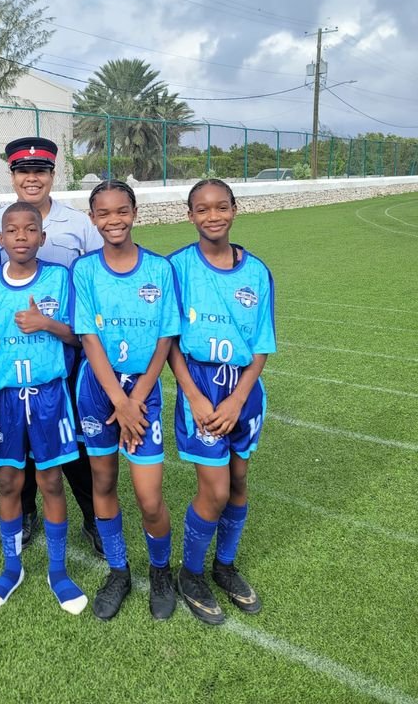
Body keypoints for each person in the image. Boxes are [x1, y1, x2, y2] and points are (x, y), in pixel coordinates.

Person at [0, 136, 103, 553]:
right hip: (16, 356)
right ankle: (26, 514)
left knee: (78, 442)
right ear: (12, 176)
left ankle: (92, 517)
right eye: (23, 171)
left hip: (69, 352)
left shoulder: (78, 223)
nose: (32, 178)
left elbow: (96, 278)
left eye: (41, 171)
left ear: (52, 175)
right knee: (22, 447)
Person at [168, 179, 276, 625]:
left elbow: (262, 343)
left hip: (243, 392)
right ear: (190, 215)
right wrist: (193, 396)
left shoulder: (257, 272)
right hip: (202, 389)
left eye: (221, 207)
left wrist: (239, 398)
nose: (213, 216)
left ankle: (224, 565)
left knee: (238, 482)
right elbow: (168, 341)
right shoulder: (176, 268)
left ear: (235, 210)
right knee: (213, 490)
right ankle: (190, 572)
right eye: (202, 209)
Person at [71, 180, 179, 621]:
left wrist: (135, 398)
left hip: (143, 392)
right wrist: (119, 398)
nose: (113, 220)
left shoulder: (159, 269)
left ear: (134, 213)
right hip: (99, 390)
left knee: (149, 498)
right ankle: (118, 570)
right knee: (103, 483)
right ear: (92, 218)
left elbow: (166, 337)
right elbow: (88, 337)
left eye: (121, 211)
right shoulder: (84, 271)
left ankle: (160, 571)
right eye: (103, 213)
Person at [0, 201, 87, 614]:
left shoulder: (59, 278)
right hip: (3, 398)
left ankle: (58, 571)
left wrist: (48, 325)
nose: (21, 237)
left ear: (42, 236)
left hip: (48, 396)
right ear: (0, 240)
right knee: (7, 483)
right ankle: (11, 567)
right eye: (12, 231)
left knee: (51, 482)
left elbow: (79, 337)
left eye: (30, 229)